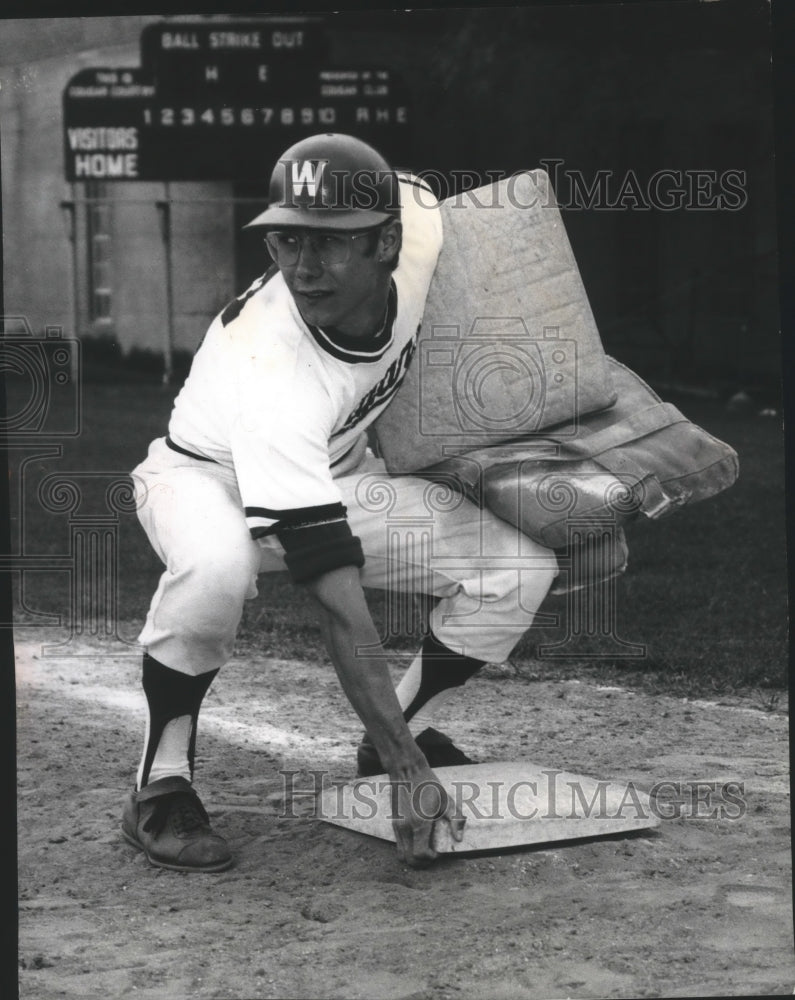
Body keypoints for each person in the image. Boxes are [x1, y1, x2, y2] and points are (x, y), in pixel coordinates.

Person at [122, 133, 558, 873]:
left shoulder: (415, 218)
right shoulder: (275, 371)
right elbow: (333, 597)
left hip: (333, 474)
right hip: (203, 480)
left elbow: (455, 217)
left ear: (388, 241)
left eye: (328, 242)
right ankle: (159, 783)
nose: (302, 266)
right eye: (286, 239)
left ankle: (401, 730)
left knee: (516, 568)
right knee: (218, 567)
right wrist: (408, 777)